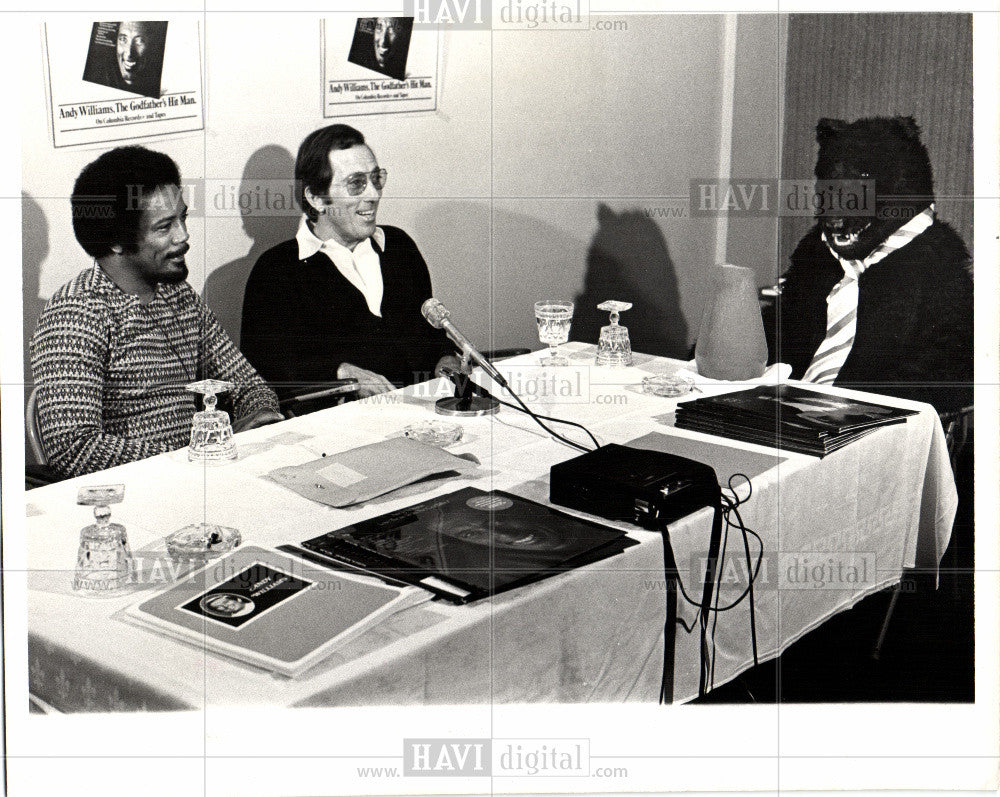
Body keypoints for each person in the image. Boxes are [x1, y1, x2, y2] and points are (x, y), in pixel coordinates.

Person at [30, 146, 282, 479]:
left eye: (183, 218)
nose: (184, 236)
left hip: (199, 481)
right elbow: (75, 450)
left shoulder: (177, 294)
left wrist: (260, 415)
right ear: (116, 240)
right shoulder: (74, 316)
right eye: (164, 227)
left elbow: (247, 384)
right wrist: (193, 455)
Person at [762, 116, 973, 414]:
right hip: (787, 418)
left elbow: (952, 373)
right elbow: (783, 330)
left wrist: (851, 408)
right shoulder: (816, 255)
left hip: (868, 427)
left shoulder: (936, 261)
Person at [240, 124, 456, 403]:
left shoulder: (399, 247)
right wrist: (341, 373)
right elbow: (265, 372)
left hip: (424, 414)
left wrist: (445, 357)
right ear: (316, 198)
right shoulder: (277, 271)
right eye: (356, 184)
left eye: (376, 179)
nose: (374, 195)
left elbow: (429, 337)